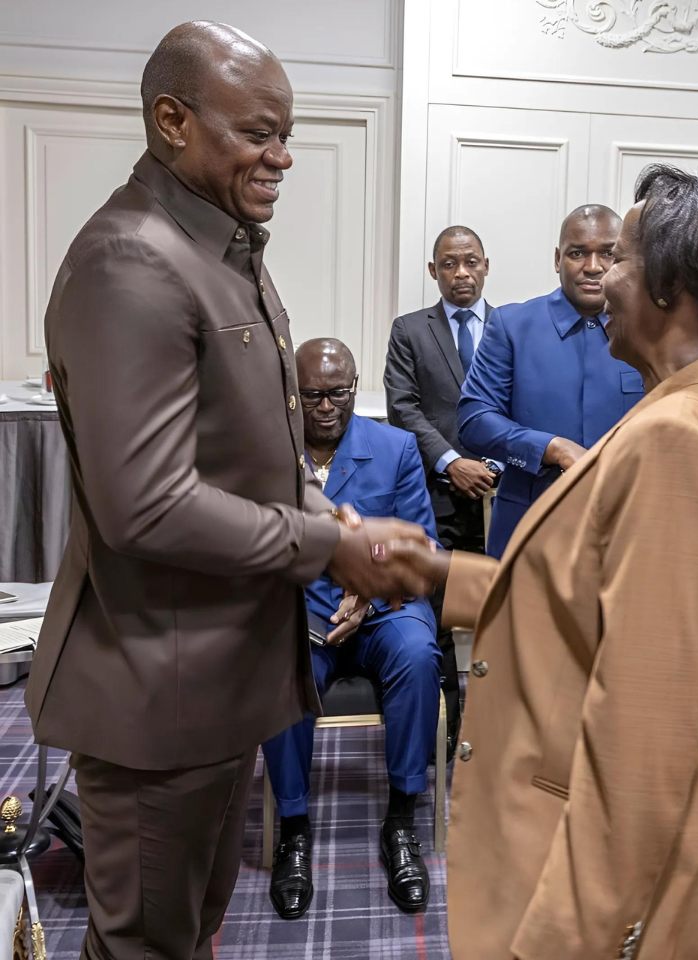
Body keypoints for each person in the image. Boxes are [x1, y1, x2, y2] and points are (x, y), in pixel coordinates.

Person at [26, 23, 428, 960]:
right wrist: (326, 546)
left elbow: (251, 455)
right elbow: (149, 505)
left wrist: (331, 513)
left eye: (285, 133)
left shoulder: (219, 247)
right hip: (155, 697)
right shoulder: (132, 260)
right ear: (172, 120)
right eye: (257, 132)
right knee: (146, 945)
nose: (282, 156)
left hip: (218, 682)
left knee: (196, 929)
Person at [378, 163, 698, 960]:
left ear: (672, 285)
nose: (602, 276)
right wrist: (440, 577)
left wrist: (566, 935)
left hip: (658, 880)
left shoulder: (676, 436)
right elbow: (601, 601)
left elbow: (645, 727)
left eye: (623, 259)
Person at [264, 339, 443, 919]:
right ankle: (293, 827)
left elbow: (424, 543)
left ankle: (401, 817)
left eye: (337, 392)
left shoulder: (394, 446)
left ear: (355, 387)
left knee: (417, 653)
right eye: (311, 393)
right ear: (293, 393)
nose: (324, 405)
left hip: (383, 606)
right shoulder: (268, 455)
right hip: (303, 610)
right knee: (276, 660)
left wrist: (367, 589)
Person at [456, 204, 644, 557]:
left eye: (607, 253)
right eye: (577, 253)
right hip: (529, 527)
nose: (592, 267)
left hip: (625, 530)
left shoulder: (649, 331)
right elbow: (474, 420)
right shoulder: (511, 326)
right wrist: (549, 448)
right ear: (558, 259)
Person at [384, 224, 498, 753]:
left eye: (471, 262)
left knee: (504, 610)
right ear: (434, 271)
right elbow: (403, 407)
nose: (461, 273)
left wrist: (496, 462)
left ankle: (500, 727)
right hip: (439, 495)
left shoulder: (510, 327)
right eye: (450, 264)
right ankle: (449, 734)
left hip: (503, 494)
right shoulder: (410, 330)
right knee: (441, 616)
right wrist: (453, 462)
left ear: (485, 266)